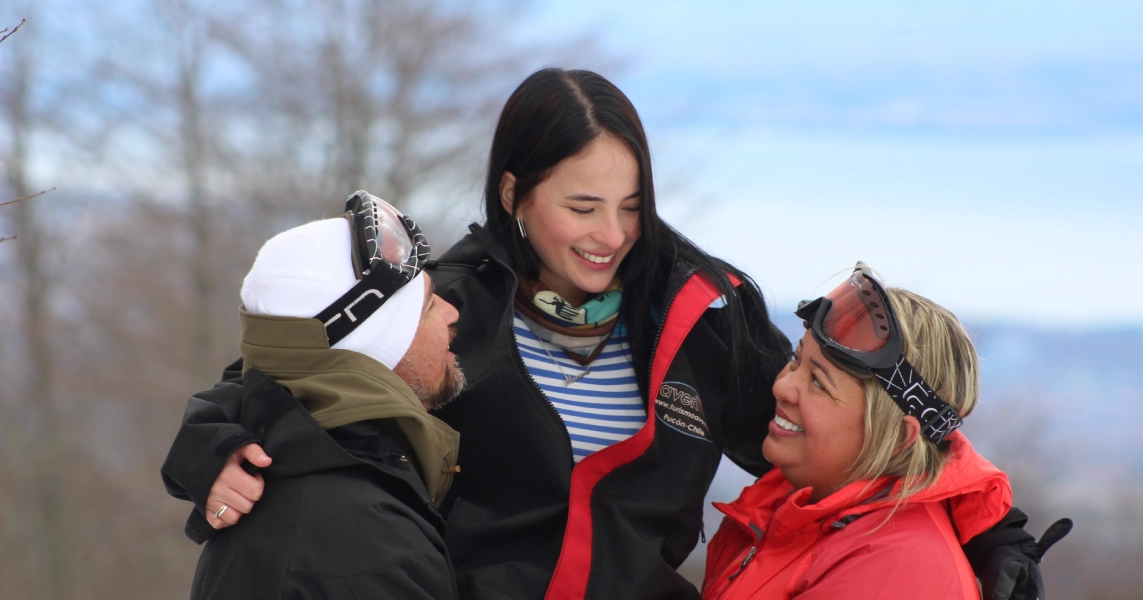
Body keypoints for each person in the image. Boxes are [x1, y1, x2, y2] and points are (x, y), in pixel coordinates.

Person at [161, 68, 793, 600]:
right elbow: (284, 374)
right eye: (582, 208)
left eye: (631, 206)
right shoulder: (447, 306)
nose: (613, 235)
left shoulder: (703, 318)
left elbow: (818, 437)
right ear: (514, 194)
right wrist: (212, 450)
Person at [167, 192, 465, 599]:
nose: (453, 312)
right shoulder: (363, 542)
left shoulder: (332, 474)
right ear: (379, 349)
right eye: (429, 305)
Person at [702, 264, 1009, 599]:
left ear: (898, 440)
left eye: (818, 382)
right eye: (795, 360)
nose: (782, 386)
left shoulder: (894, 572)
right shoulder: (788, 506)